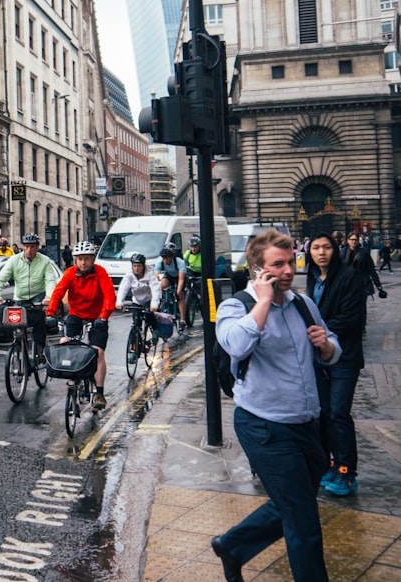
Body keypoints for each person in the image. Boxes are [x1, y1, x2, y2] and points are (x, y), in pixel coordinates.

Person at [213, 230, 341, 582]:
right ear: (259, 269)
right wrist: (264, 301)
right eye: (278, 265)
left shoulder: (303, 304)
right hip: (265, 427)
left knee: (292, 502)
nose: (288, 271)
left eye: (291, 262)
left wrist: (326, 347)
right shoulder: (235, 305)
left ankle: (233, 545)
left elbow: (331, 344)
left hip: (307, 424)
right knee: (303, 522)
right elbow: (234, 345)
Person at [305, 232, 366, 498]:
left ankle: (346, 471)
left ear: (334, 250)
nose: (321, 253)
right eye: (316, 248)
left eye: (326, 247)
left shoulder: (349, 277)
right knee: (323, 411)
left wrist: (320, 332)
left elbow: (352, 318)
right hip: (320, 356)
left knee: (339, 413)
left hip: (346, 356)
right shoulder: (312, 278)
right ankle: (330, 464)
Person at [46, 241, 116, 410]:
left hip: (98, 317)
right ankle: (72, 381)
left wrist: (104, 316)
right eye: (79, 259)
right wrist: (50, 313)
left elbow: (109, 295)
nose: (83, 262)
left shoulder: (100, 273)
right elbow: (58, 292)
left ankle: (99, 393)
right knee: (66, 343)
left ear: (92, 259)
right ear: (75, 260)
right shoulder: (70, 273)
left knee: (98, 352)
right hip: (76, 315)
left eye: (86, 259)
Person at [0, 232, 60, 357]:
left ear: (37, 247)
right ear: (23, 247)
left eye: (33, 246)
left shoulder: (45, 261)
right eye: (27, 246)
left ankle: (40, 350)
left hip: (38, 296)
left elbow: (50, 280)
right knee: (16, 322)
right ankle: (18, 343)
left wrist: (48, 297)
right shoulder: (14, 260)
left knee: (39, 321)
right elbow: (0, 280)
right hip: (20, 297)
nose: (29, 250)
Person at [342, 232, 385, 312]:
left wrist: (378, 285)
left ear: (358, 241)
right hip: (347, 284)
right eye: (352, 240)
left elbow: (371, 270)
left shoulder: (364, 252)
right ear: (348, 240)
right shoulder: (343, 252)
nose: (354, 242)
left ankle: (362, 322)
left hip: (361, 283)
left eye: (356, 240)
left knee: (361, 306)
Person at [154, 243, 187, 332]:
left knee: (180, 295)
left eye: (167, 258)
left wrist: (178, 291)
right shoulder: (160, 262)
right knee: (161, 285)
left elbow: (181, 279)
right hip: (169, 275)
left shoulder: (179, 262)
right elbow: (156, 277)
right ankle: (166, 300)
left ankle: (183, 320)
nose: (165, 261)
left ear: (171, 257)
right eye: (163, 258)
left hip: (179, 277)